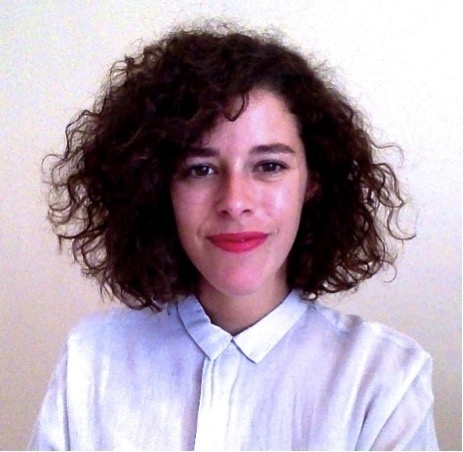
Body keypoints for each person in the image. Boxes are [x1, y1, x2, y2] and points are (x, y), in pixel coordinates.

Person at [29, 24, 438, 450]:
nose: (235, 202)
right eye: (200, 169)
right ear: (157, 185)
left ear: (312, 181)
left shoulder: (385, 381)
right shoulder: (91, 360)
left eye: (269, 166)